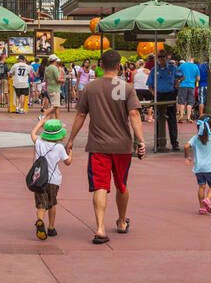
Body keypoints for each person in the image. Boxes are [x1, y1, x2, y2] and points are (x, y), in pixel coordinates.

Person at [65, 49, 145, 243]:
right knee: (121, 184)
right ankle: (121, 221)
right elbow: (134, 115)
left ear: (100, 66)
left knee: (100, 185)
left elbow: (81, 115)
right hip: (122, 145)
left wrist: (70, 140)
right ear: (119, 66)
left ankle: (100, 227)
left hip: (98, 145)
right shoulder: (127, 87)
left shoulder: (90, 88)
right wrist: (140, 140)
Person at [28, 117, 70, 240]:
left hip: (39, 179)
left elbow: (32, 134)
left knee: (41, 204)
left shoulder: (39, 143)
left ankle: (40, 220)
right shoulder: (59, 148)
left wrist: (40, 124)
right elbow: (68, 162)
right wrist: (70, 154)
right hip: (53, 180)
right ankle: (51, 228)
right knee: (52, 203)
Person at [148, 49, 180, 151]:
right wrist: (154, 93)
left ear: (167, 57)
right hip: (159, 95)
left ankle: (174, 143)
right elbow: (150, 84)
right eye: (159, 57)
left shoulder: (172, 68)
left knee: (172, 120)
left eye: (163, 56)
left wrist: (177, 83)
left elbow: (182, 76)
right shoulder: (154, 69)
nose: (161, 59)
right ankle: (158, 143)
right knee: (158, 119)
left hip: (170, 95)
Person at [176, 54, 201, 122]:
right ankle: (188, 117)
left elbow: (176, 73)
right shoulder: (195, 66)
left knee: (182, 102)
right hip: (191, 86)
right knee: (190, 102)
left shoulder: (182, 65)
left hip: (182, 85)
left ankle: (181, 116)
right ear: (193, 59)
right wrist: (193, 80)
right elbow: (198, 78)